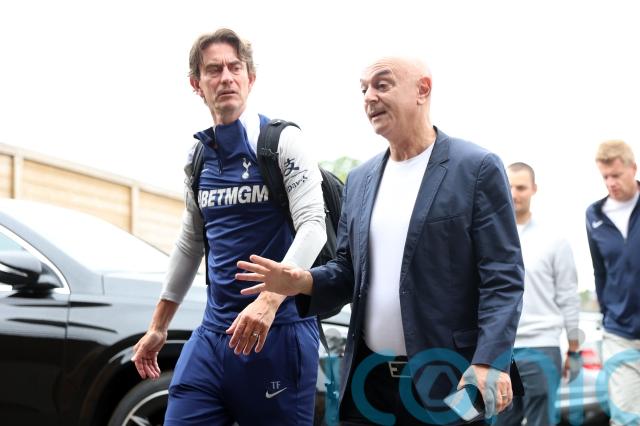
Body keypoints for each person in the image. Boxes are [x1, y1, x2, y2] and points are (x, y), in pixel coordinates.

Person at [236, 56, 524, 425]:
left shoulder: (476, 168)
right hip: (369, 386)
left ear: (423, 90)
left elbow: (503, 276)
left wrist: (489, 360)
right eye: (363, 89)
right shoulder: (359, 180)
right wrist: (304, 281)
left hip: (448, 381)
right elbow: (348, 271)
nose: (369, 97)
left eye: (382, 85)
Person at [131, 28, 327, 425]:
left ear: (250, 78)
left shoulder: (282, 142)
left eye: (235, 68)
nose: (226, 78)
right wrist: (158, 327)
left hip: (278, 333)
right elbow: (190, 241)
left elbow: (314, 225)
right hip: (212, 337)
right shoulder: (198, 155)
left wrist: (268, 302)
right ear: (196, 84)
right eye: (213, 70)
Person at [495, 162, 581, 426]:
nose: (514, 194)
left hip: (541, 347)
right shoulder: (488, 236)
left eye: (521, 187)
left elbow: (568, 296)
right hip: (499, 350)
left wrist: (574, 349)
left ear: (534, 189)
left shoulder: (554, 240)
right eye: (509, 187)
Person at [586, 140, 640, 426]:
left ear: (633, 169)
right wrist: (609, 313)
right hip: (620, 332)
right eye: (605, 176)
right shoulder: (594, 215)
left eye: (616, 175)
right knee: (626, 417)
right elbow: (600, 272)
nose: (610, 183)